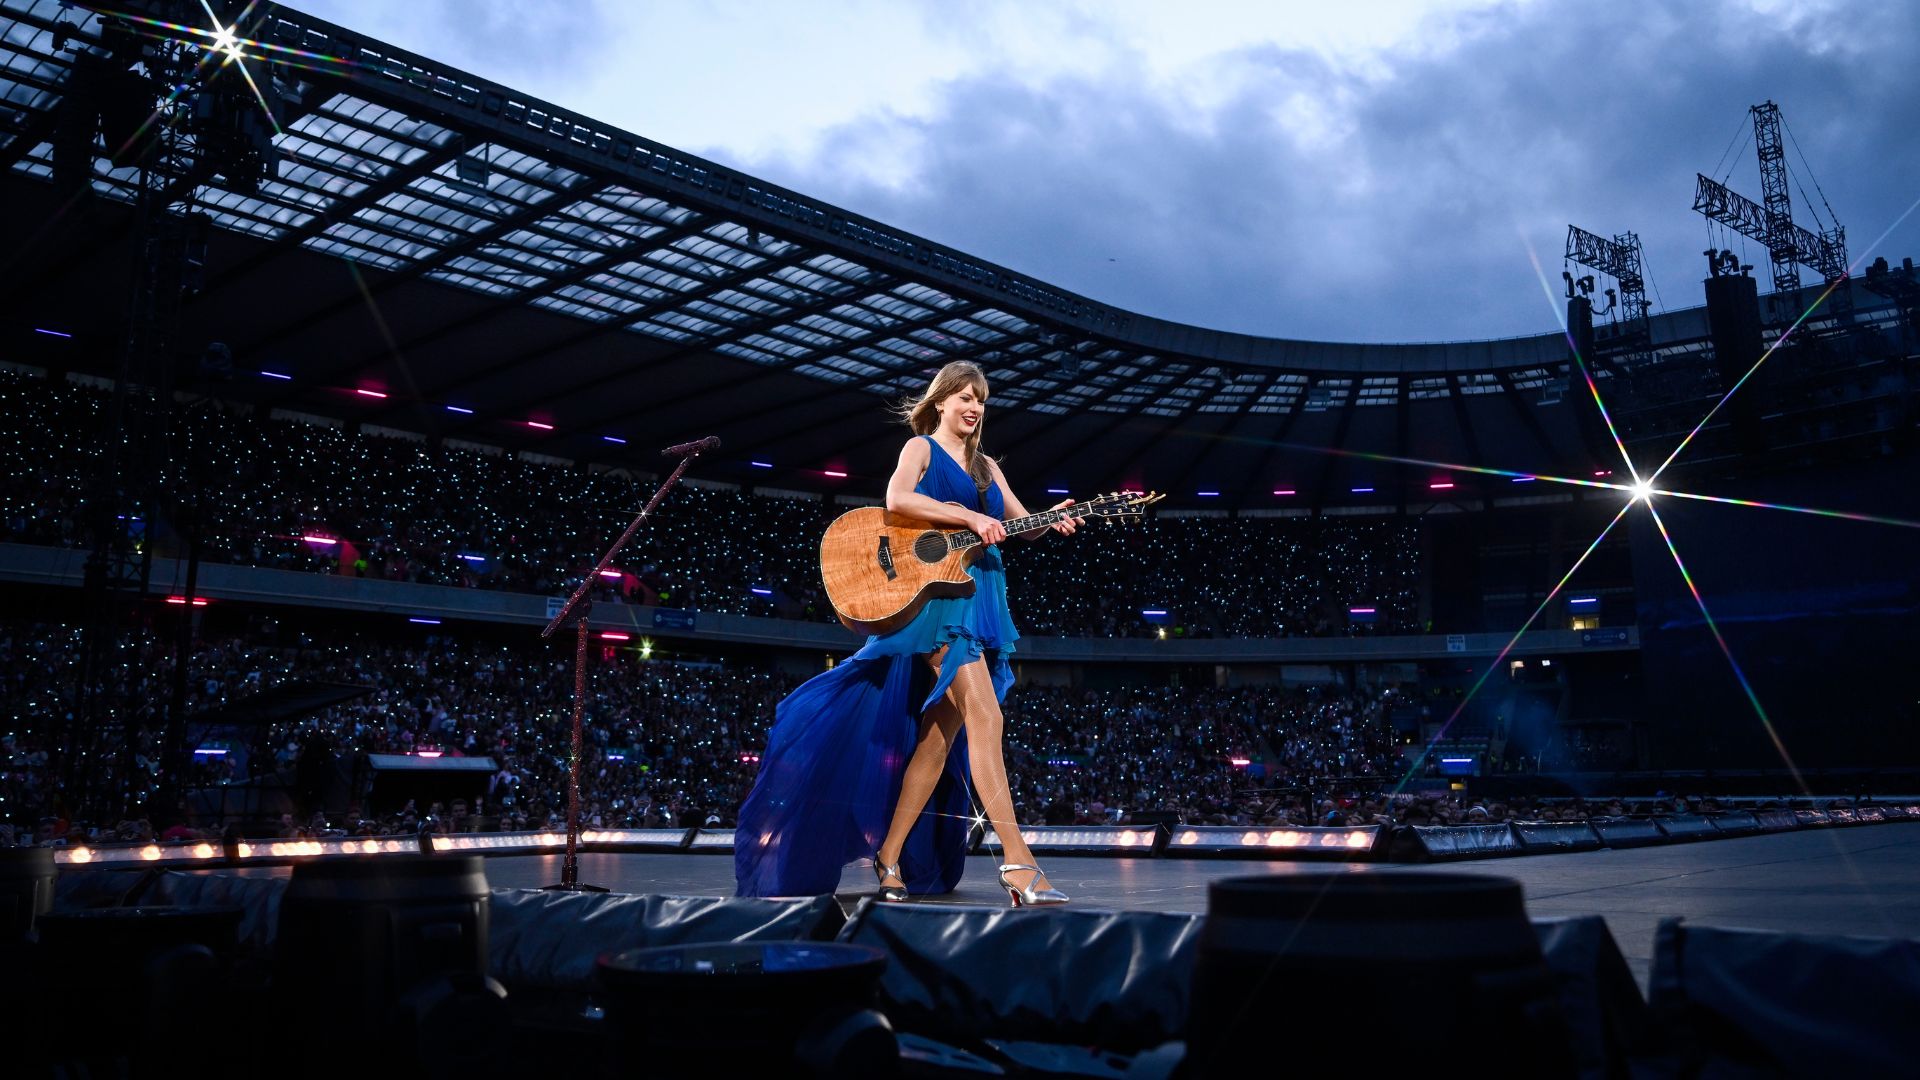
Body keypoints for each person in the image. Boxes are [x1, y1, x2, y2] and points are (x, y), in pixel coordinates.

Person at [734, 360, 1077, 904]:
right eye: (964, 396)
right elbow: (896, 500)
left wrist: (1050, 519)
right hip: (939, 606)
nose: (973, 407)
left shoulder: (989, 466)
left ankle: (889, 852)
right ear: (940, 401)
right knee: (987, 717)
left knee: (939, 740)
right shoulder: (921, 448)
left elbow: (1018, 524)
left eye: (981, 400)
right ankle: (1017, 861)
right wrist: (965, 517)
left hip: (981, 599)